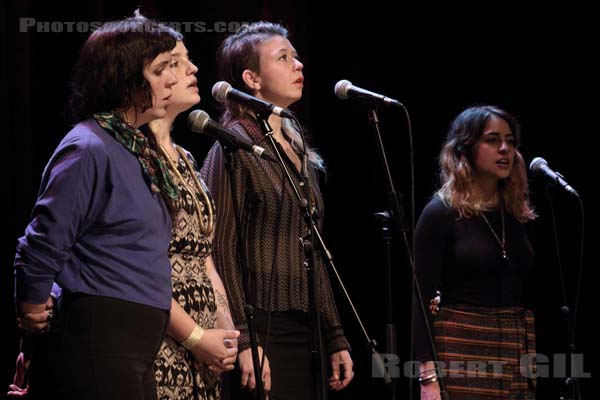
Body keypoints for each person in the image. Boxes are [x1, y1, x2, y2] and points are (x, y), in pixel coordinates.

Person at [13, 15, 181, 400]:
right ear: (123, 79)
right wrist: (33, 309)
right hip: (98, 340)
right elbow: (43, 241)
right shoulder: (88, 147)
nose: (171, 79)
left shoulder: (136, 150)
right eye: (160, 70)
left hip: (135, 346)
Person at [200, 21, 354, 399]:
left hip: (308, 329)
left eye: (297, 57)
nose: (298, 65)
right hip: (261, 327)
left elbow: (314, 247)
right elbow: (218, 248)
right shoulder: (232, 146)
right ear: (252, 78)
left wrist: (335, 334)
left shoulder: (297, 150)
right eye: (284, 58)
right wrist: (245, 338)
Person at [413, 105, 538, 400]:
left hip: (514, 349)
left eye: (510, 141)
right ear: (465, 148)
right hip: (461, 348)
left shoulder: (515, 214)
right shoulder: (441, 213)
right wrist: (428, 378)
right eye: (492, 140)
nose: (505, 148)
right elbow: (420, 299)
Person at [145, 37, 239, 399]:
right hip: (162, 341)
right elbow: (135, 267)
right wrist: (195, 337)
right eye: (174, 62)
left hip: (203, 354)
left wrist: (226, 332)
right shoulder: (135, 157)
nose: (192, 69)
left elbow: (203, 253)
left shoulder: (185, 158)